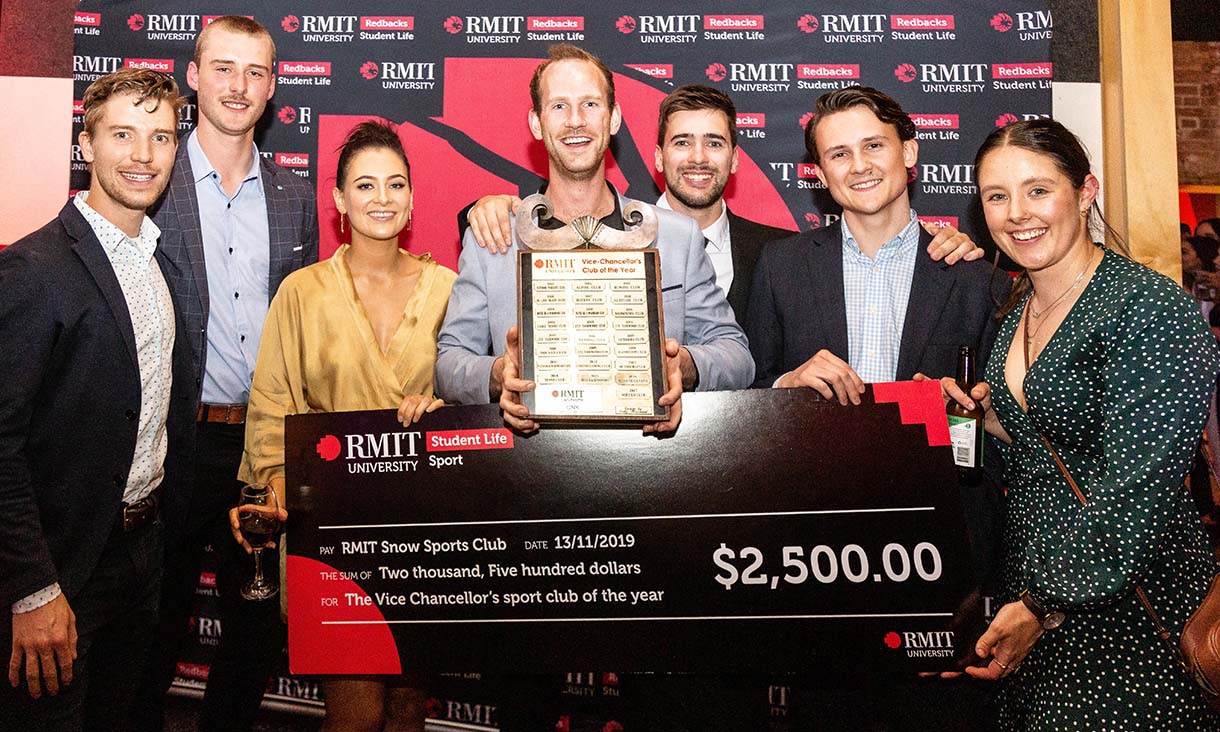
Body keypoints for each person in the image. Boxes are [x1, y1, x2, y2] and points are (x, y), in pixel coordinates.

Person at [939, 118, 1220, 729]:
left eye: (1038, 190)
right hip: (1037, 602)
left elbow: (1140, 488)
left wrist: (1042, 604)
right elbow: (1049, 439)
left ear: (1085, 192)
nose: (1017, 213)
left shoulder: (1147, 306)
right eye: (997, 196)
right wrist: (977, 414)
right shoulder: (1019, 307)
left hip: (1131, 609)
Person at [744, 86, 1009, 731]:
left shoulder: (975, 272)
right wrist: (785, 386)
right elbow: (746, 406)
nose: (858, 165)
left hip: (947, 557)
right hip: (819, 558)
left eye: (873, 146)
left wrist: (967, 410)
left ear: (909, 152)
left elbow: (1007, 421)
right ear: (819, 172)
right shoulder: (780, 267)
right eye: (838, 153)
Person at [234, 120, 453, 732]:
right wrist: (273, 502)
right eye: (365, 185)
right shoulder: (300, 294)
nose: (381, 198)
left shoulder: (449, 291)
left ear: (412, 199)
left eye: (395, 184)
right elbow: (271, 412)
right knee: (355, 718)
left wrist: (447, 417)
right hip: (334, 536)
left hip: (426, 534)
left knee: (408, 713)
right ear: (337, 199)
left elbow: (476, 401)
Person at [135, 15, 319, 732]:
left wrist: (280, 455)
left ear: (273, 87)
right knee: (155, 628)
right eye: (224, 67)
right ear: (194, 74)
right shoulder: (150, 178)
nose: (238, 86)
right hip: (175, 444)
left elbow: (302, 327)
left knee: (252, 632)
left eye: (255, 72)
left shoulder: (295, 196)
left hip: (261, 451)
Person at [0, 69, 194, 731]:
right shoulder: (34, 269)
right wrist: (31, 586)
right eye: (122, 134)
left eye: (160, 137)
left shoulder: (165, 266)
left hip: (141, 553)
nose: (142, 155)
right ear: (86, 144)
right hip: (61, 565)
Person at [464, 85, 984, 329]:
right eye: (682, 143)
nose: (697, 158)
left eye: (714, 143)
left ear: (735, 160)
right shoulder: (608, 234)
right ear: (657, 158)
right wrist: (490, 206)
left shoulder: (781, 254)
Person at [435, 44, 754, 436]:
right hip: (528, 475)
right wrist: (500, 373)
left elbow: (737, 355)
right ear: (536, 123)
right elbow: (448, 364)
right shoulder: (493, 237)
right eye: (558, 106)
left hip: (652, 470)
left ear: (614, 117)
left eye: (590, 105)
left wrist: (681, 364)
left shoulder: (676, 236)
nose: (575, 121)